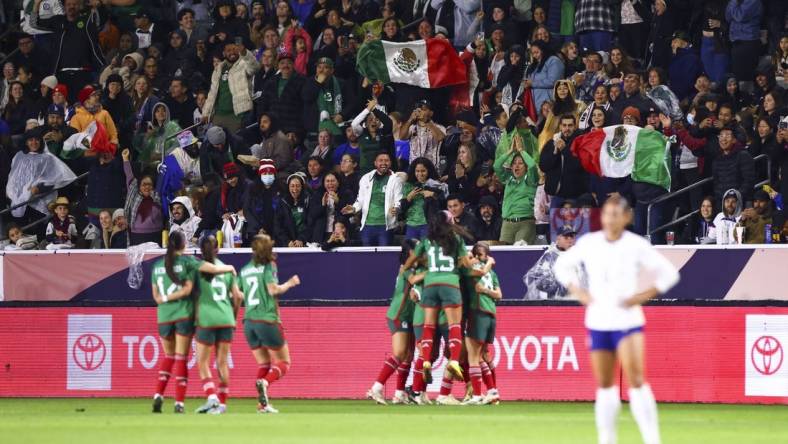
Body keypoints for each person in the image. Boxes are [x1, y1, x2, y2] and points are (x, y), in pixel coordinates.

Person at [554, 196, 680, 444]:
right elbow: (562, 265)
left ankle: (652, 439)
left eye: (615, 214)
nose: (610, 219)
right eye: (607, 214)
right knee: (604, 384)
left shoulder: (636, 245)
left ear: (626, 217)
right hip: (598, 320)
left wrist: (642, 296)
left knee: (636, 379)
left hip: (627, 321)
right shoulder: (590, 243)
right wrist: (578, 292)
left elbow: (669, 274)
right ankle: (607, 439)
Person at [150, 229, 236, 414]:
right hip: (187, 315)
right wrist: (229, 268)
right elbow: (200, 283)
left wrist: (165, 300)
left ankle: (158, 395)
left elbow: (156, 295)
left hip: (167, 317)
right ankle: (182, 402)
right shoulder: (189, 262)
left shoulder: (157, 265)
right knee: (184, 358)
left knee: (170, 357)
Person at [403, 211, 476, 386]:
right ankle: (454, 361)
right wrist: (469, 264)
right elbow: (466, 264)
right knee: (455, 325)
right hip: (450, 284)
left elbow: (410, 262)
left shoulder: (427, 241)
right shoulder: (456, 239)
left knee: (429, 326)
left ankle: (427, 360)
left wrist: (414, 272)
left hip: (430, 285)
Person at [239, 234, 301, 413]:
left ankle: (262, 404)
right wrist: (290, 283)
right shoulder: (269, 266)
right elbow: (273, 289)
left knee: (264, 364)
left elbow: (235, 292)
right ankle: (265, 382)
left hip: (249, 322)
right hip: (267, 320)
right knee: (284, 362)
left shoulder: (245, 269)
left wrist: (252, 299)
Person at [193, 235, 242, 415]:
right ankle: (222, 404)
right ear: (218, 249)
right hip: (226, 319)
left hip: (207, 319)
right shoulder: (227, 270)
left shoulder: (197, 267)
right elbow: (237, 296)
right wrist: (234, 317)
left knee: (203, 362)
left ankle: (211, 397)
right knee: (222, 362)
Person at [366, 239, 419, 405]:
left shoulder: (414, 267)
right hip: (399, 314)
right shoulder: (406, 268)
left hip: (410, 315)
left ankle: (399, 393)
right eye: (417, 248)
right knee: (399, 353)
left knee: (408, 356)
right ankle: (376, 387)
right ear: (409, 252)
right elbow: (415, 281)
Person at [463, 241, 502, 405]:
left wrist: (482, 290)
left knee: (473, 357)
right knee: (482, 355)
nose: (468, 258)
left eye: (471, 255)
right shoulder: (492, 273)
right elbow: (499, 295)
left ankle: (477, 395)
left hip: (478, 311)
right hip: (491, 314)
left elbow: (496, 293)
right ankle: (492, 391)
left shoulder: (474, 270)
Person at [342, 152, 402, 246]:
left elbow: (399, 199)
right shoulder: (366, 178)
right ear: (375, 163)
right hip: (367, 225)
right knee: (367, 258)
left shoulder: (396, 179)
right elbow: (360, 200)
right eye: (380, 160)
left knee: (384, 257)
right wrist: (354, 208)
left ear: (390, 163)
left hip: (385, 226)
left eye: (386, 160)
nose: (383, 163)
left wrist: (397, 208)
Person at [493, 126, 539, 245]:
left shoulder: (531, 179)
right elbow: (496, 166)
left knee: (520, 254)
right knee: (504, 256)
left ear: (525, 166)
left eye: (520, 163)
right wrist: (510, 151)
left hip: (525, 223)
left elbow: (533, 165)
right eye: (514, 163)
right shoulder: (508, 179)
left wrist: (521, 150)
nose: (516, 166)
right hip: (507, 223)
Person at [202, 41, 260, 133]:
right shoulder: (218, 68)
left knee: (234, 144)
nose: (232, 52)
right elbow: (212, 93)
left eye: (234, 49)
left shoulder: (243, 64)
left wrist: (245, 53)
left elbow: (255, 68)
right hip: (218, 116)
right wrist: (206, 113)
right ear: (224, 53)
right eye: (228, 50)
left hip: (237, 115)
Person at [540, 114, 586, 209]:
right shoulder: (551, 143)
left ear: (575, 126)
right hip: (555, 196)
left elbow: (579, 166)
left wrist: (564, 150)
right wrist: (555, 152)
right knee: (556, 224)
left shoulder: (581, 143)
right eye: (564, 125)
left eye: (570, 125)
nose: (567, 128)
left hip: (575, 197)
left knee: (574, 224)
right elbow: (543, 166)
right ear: (560, 126)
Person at [524, 225, 577, 300]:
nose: (569, 240)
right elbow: (538, 281)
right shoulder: (550, 255)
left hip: (578, 300)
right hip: (558, 301)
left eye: (572, 237)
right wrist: (562, 288)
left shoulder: (579, 254)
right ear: (558, 238)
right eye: (566, 237)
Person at [398, 157, 445, 240]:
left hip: (427, 225)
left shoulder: (435, 185)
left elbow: (444, 203)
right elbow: (402, 209)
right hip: (411, 225)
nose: (420, 174)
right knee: (411, 252)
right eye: (417, 171)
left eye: (423, 171)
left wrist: (433, 194)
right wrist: (408, 198)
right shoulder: (407, 186)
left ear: (428, 171)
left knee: (426, 252)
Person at [712, 126, 755, 206]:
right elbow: (716, 182)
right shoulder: (717, 159)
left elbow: (749, 181)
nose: (723, 139)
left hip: (741, 202)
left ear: (734, 140)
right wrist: (721, 198)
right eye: (721, 136)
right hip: (723, 203)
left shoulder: (743, 155)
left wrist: (736, 197)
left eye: (727, 136)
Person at [398, 99, 446, 170]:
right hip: (414, 169)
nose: (420, 111)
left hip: (432, 169)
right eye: (418, 109)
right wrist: (410, 120)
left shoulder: (439, 127)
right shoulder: (412, 128)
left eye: (424, 109)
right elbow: (401, 137)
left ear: (431, 113)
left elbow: (440, 137)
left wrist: (426, 122)